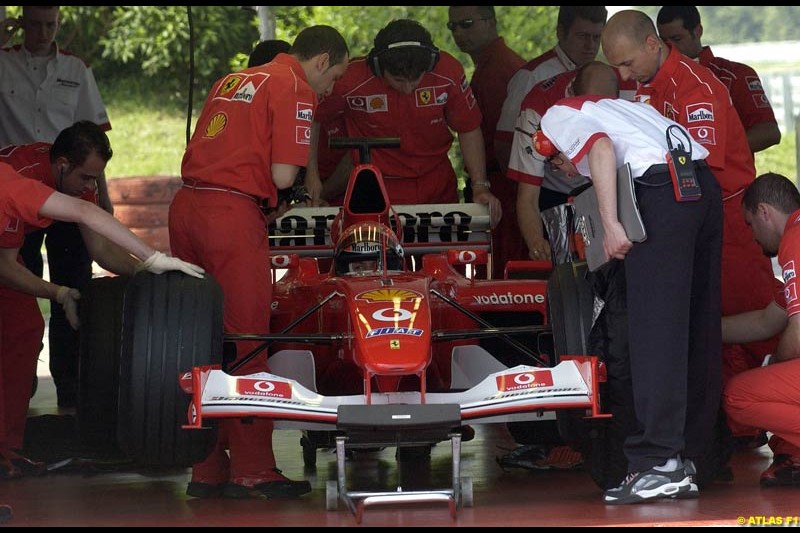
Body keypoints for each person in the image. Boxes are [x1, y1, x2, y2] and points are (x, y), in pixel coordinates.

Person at [170, 24, 349, 500]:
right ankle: (253, 467)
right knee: (249, 341)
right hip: (230, 215)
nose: (329, 91)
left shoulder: (232, 79)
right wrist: (288, 196)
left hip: (186, 207)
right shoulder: (294, 87)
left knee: (199, 340)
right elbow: (283, 173)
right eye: (332, 79)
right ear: (320, 60)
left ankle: (206, 465)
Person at [602, 9, 777, 480]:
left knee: (751, 327)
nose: (622, 75)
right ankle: (708, 447)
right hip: (681, 221)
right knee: (702, 335)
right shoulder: (647, 85)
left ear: (652, 44)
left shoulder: (697, 88)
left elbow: (694, 167)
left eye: (625, 63)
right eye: (613, 67)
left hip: (727, 218)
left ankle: (775, 434)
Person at [538, 61, 722, 504]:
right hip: (701, 187)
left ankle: (659, 462)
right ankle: (696, 454)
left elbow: (598, 151)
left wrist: (609, 222)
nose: (563, 169)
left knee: (653, 331)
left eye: (554, 160)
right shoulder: (627, 108)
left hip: (659, 192)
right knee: (697, 326)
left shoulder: (557, 116)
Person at [0, 159, 204, 479]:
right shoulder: (13, 185)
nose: (90, 187)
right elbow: (84, 213)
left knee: (24, 326)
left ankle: (5, 450)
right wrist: (154, 258)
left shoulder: (10, 186)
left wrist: (60, 293)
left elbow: (7, 264)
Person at [1, 6, 113, 408]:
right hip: (14, 188)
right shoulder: (3, 61)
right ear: (21, 22)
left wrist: (103, 197)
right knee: (17, 287)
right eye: (34, 24)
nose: (43, 32)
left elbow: (94, 141)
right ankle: (20, 379)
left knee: (74, 284)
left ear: (60, 24)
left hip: (68, 186)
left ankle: (69, 383)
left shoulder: (76, 69)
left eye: (50, 24)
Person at [308, 19, 501, 229]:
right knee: (384, 258)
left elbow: (469, 127)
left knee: (441, 259)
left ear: (428, 65)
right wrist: (312, 178)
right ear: (378, 67)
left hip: (437, 182)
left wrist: (480, 186)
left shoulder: (448, 72)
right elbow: (311, 117)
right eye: (399, 80)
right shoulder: (350, 78)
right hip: (378, 186)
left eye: (416, 79)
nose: (408, 88)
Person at [721, 172, 800, 487]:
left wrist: (774, 365)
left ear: (765, 212)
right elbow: (767, 320)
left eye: (751, 223)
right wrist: (701, 331)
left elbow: (797, 332)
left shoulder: (794, 239)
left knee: (738, 395)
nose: (752, 236)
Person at [447, 6, 525, 278]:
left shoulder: (500, 69)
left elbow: (494, 138)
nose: (459, 32)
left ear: (491, 22)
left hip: (502, 183)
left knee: (503, 272)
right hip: (497, 182)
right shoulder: (491, 66)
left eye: (467, 24)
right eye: (453, 26)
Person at [495, 6, 607, 178]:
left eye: (596, 37)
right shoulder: (532, 76)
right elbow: (504, 143)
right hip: (546, 193)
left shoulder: (603, 74)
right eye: (582, 36)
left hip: (595, 185)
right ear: (561, 32)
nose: (590, 45)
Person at [656, 6, 781, 154]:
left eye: (677, 39)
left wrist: (717, 152)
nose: (671, 47)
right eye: (664, 41)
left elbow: (769, 132)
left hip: (727, 174)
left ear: (697, 31)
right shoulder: (654, 81)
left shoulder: (735, 75)